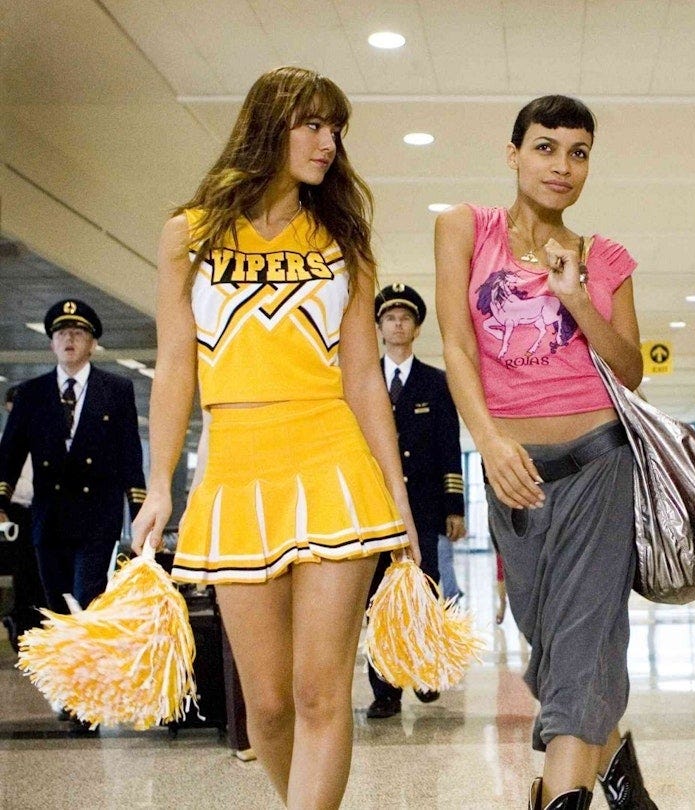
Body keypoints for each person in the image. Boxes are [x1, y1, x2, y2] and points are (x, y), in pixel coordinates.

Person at [129, 66, 418, 810]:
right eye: (312, 125)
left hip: (333, 463)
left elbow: (363, 380)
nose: (328, 144)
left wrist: (398, 494)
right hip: (234, 468)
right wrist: (160, 483)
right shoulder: (188, 233)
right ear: (268, 126)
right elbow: (175, 365)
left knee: (321, 693)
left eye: (336, 130)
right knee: (266, 703)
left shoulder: (344, 241)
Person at [433, 94, 656, 810]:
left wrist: (579, 296)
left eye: (578, 153)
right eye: (546, 147)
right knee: (555, 647)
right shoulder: (465, 228)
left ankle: (559, 796)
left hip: (600, 463)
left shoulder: (606, 256)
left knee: (582, 645)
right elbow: (457, 346)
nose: (562, 166)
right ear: (514, 154)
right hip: (514, 471)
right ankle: (618, 769)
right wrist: (489, 443)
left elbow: (630, 370)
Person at [0, 300, 146, 616]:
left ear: (92, 344)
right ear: (52, 344)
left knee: (86, 598)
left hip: (98, 518)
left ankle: (88, 649)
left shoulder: (116, 390)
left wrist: (140, 512)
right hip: (49, 519)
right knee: (57, 605)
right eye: (61, 333)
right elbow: (10, 453)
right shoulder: (31, 393)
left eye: (78, 333)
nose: (69, 339)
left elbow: (130, 454)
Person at [364, 282, 466, 719]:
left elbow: (449, 446)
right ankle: (385, 691)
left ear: (417, 327)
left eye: (405, 318)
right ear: (379, 327)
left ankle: (426, 673)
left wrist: (454, 507)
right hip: (374, 508)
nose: (397, 324)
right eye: (389, 318)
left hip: (424, 507)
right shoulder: (363, 379)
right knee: (377, 597)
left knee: (425, 590)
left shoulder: (436, 382)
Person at [0, 385, 44, 651]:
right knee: (23, 572)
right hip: (15, 513)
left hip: (43, 511)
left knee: (42, 572)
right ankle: (22, 624)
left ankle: (36, 625)